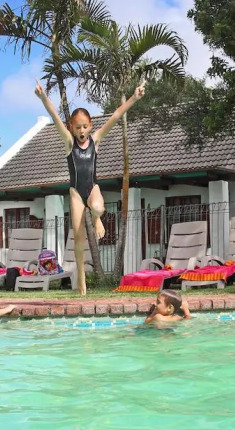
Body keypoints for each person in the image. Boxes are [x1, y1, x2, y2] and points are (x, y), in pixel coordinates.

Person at [34, 78, 146, 295]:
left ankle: (96, 219)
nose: (82, 130)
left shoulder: (96, 140)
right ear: (72, 128)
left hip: (92, 187)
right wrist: (43, 98)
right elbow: (55, 118)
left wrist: (134, 97)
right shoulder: (69, 143)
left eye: (85, 126)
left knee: (98, 208)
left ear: (91, 126)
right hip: (76, 192)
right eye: (77, 127)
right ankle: (82, 282)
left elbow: (115, 116)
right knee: (78, 238)